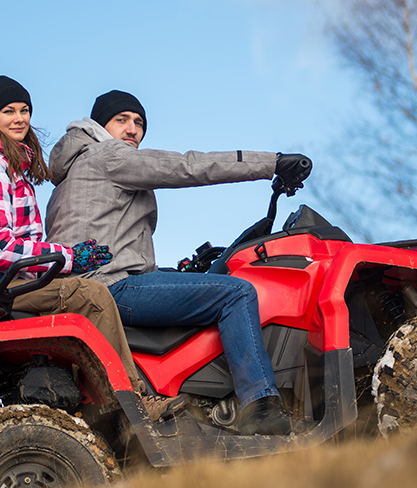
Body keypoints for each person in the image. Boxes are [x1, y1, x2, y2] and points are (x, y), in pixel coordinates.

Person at [45, 89, 311, 435]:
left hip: (93, 287)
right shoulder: (109, 156)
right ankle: (260, 405)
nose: (132, 130)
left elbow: (113, 244)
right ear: (99, 125)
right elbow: (187, 167)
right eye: (121, 120)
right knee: (236, 294)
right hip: (113, 288)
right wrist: (272, 163)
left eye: (139, 123)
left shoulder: (68, 178)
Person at [0, 76, 182, 421]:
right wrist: (68, 259)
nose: (19, 119)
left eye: (24, 110)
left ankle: (87, 406)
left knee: (77, 296)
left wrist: (70, 258)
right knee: (93, 296)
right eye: (8, 111)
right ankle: (133, 406)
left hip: (2, 283)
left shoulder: (11, 164)